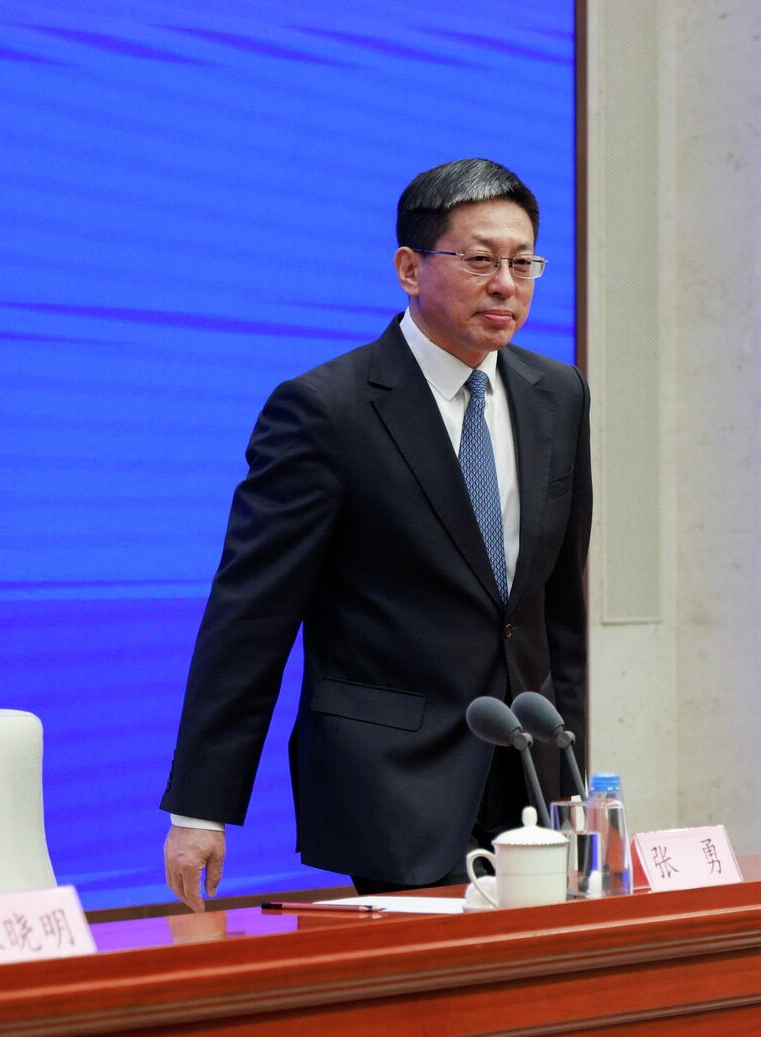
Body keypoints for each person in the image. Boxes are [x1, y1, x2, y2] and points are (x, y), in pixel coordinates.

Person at [160, 159, 592, 907]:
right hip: (393, 780)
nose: (506, 284)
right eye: (481, 260)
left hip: (526, 775)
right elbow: (251, 617)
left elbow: (557, 612)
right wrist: (201, 807)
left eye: (523, 263)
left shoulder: (558, 393)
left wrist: (573, 782)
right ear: (409, 269)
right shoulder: (326, 410)